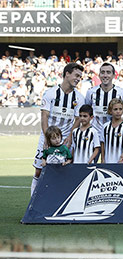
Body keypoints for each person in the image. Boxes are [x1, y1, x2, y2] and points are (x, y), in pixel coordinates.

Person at [32, 61, 84, 193]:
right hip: (47, 137)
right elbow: (44, 117)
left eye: (80, 77)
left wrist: (70, 136)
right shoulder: (50, 93)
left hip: (65, 139)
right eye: (76, 75)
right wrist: (47, 138)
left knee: (65, 170)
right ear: (67, 74)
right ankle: (33, 200)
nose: (78, 79)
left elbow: (78, 119)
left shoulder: (79, 97)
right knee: (39, 170)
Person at [85, 61, 123, 140]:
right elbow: (86, 112)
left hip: (113, 135)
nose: (105, 75)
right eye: (103, 72)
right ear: (99, 75)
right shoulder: (91, 92)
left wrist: (122, 128)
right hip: (95, 135)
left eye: (108, 72)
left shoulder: (121, 93)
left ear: (113, 75)